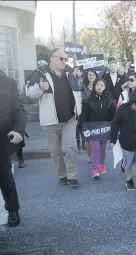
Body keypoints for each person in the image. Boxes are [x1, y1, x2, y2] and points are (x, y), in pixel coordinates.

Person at [27, 48, 81, 188]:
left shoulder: (70, 72)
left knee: (71, 148)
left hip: (70, 118)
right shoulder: (40, 73)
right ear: (52, 58)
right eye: (61, 59)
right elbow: (29, 93)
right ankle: (62, 174)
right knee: (55, 152)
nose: (64, 61)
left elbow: (79, 90)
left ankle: (72, 175)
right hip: (50, 121)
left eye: (66, 59)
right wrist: (40, 87)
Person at [110, 88, 136, 196]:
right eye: (135, 105)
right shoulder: (122, 109)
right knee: (127, 163)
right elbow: (115, 124)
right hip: (126, 141)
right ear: (131, 101)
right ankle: (129, 180)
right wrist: (113, 139)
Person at [0, 72, 26, 226]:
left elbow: (18, 109)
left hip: (2, 136)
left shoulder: (8, 82)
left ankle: (12, 209)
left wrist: (19, 129)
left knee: (4, 175)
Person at [81, 78, 116, 179]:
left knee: (102, 148)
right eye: (97, 85)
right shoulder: (87, 100)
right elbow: (84, 115)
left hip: (105, 128)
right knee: (95, 147)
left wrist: (115, 127)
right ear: (94, 86)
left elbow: (114, 114)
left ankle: (102, 165)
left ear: (105, 87)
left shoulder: (109, 99)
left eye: (101, 85)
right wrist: (84, 128)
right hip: (92, 128)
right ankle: (95, 169)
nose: (99, 87)